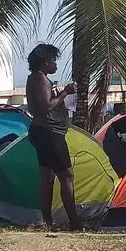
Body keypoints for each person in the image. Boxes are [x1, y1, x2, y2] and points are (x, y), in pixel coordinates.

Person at [25, 44, 81, 230]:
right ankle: (74, 221)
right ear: (45, 62)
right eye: (53, 60)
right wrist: (66, 92)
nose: (56, 64)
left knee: (47, 176)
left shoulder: (36, 78)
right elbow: (45, 106)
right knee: (67, 175)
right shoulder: (40, 79)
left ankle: (48, 221)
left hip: (43, 132)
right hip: (49, 133)